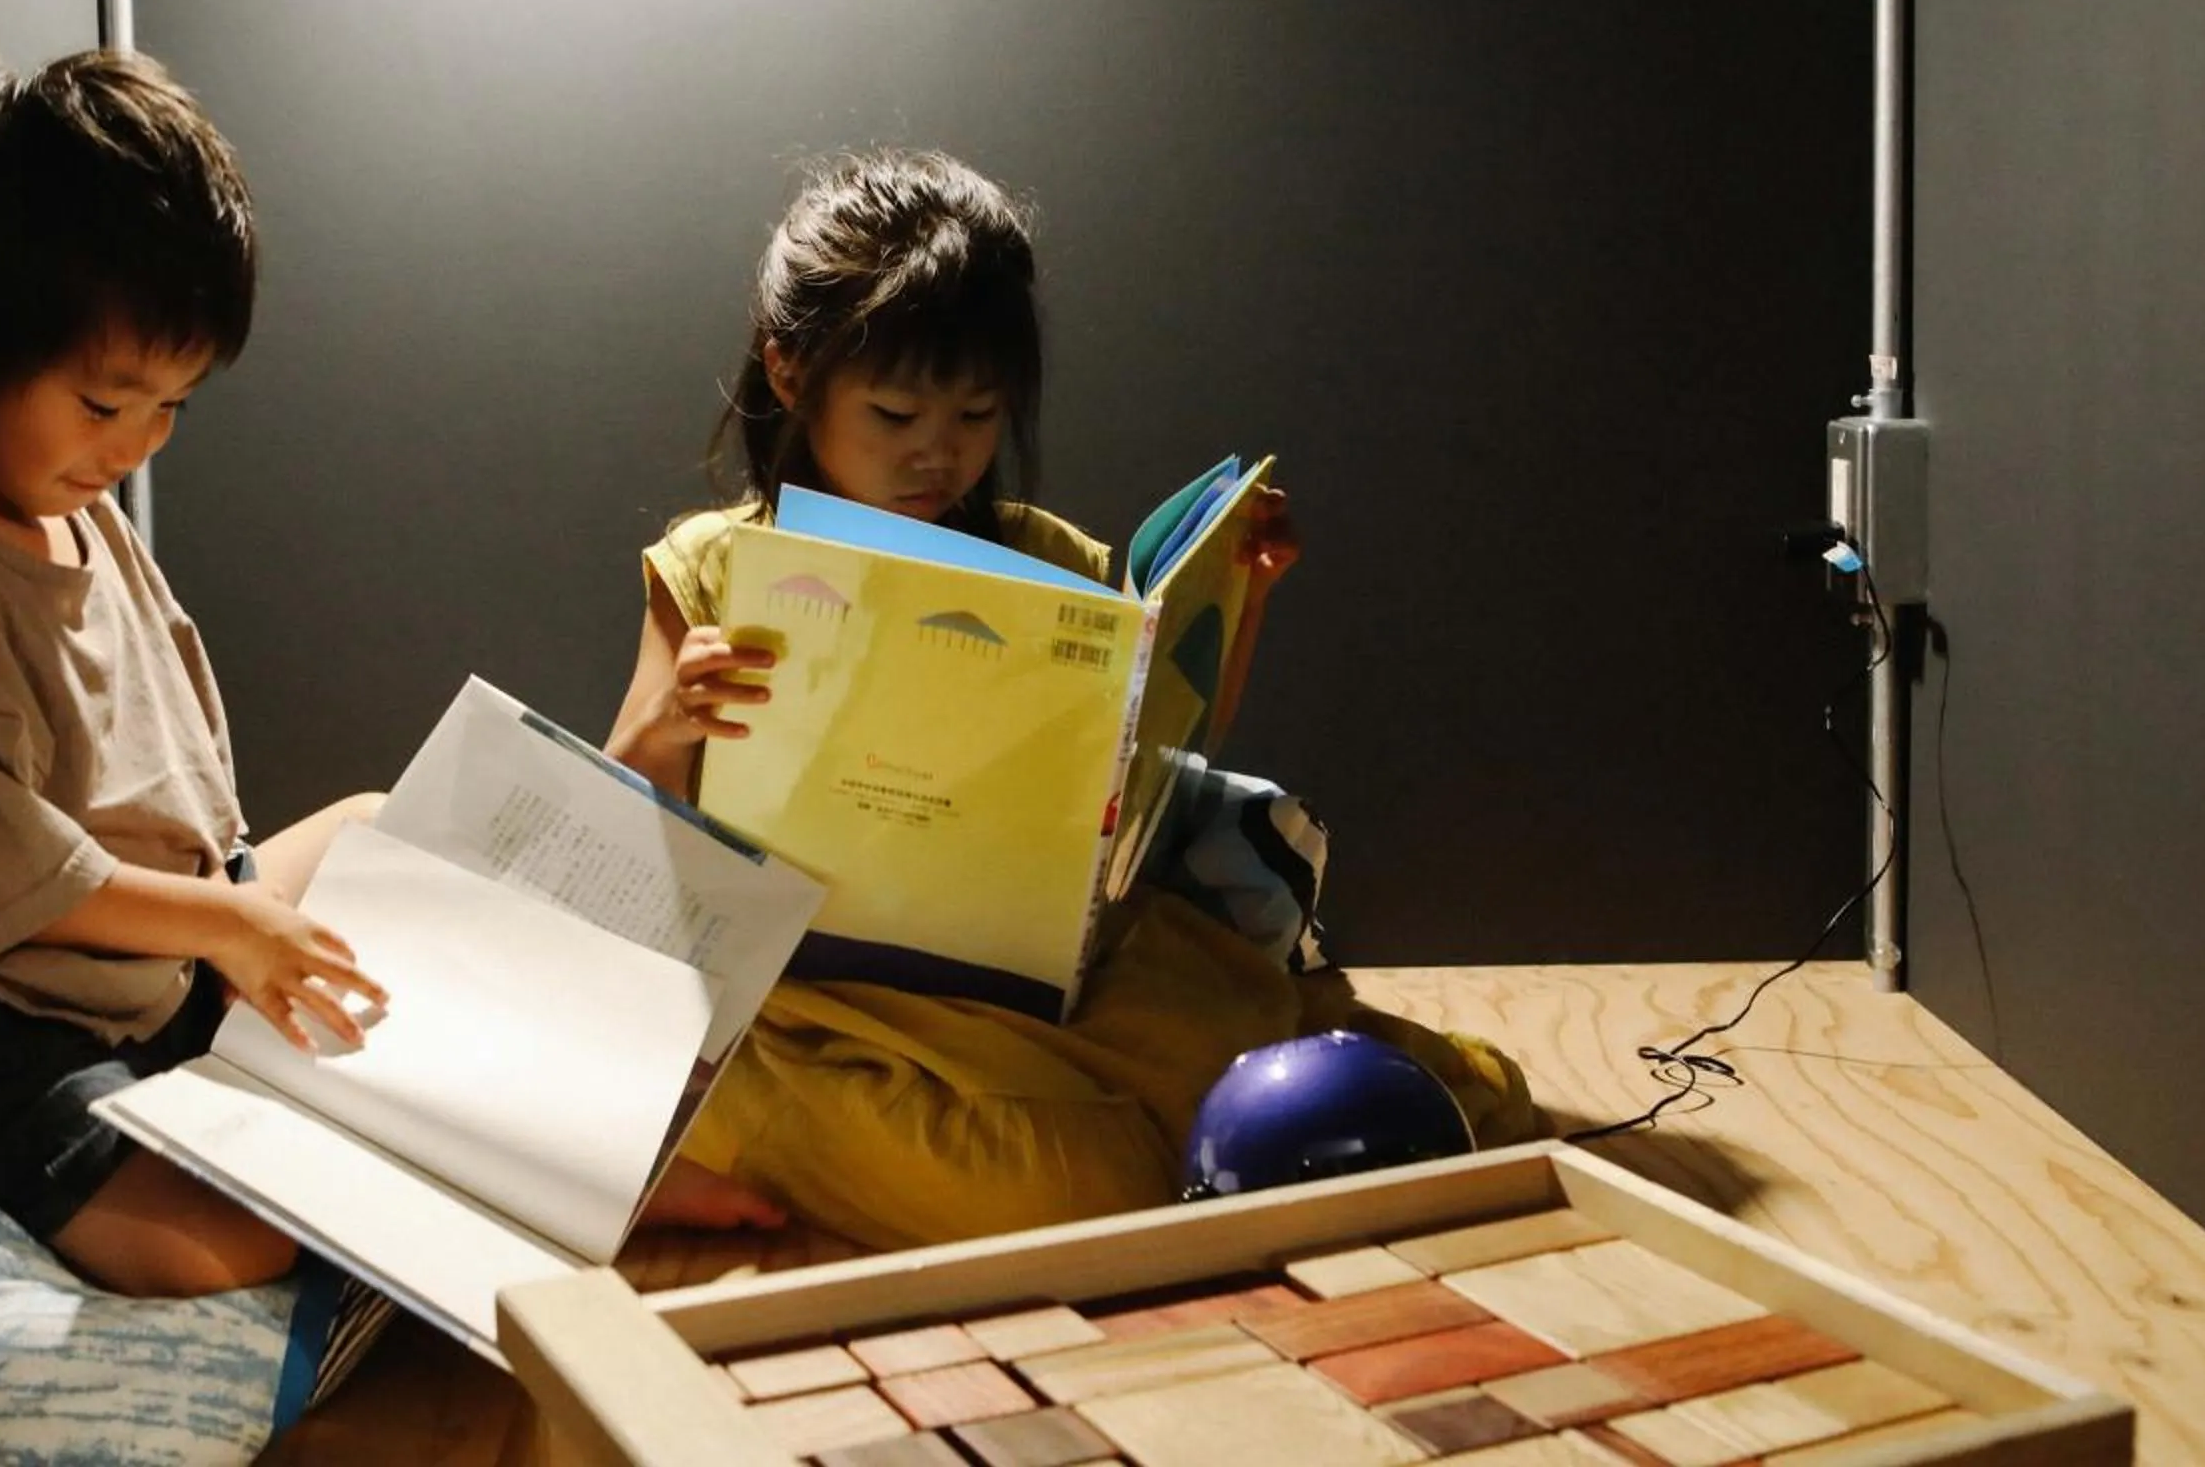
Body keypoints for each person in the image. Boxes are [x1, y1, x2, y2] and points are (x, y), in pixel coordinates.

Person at [606, 150, 1529, 1249]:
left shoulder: (1041, 557)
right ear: (791, 373)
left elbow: (1159, 746)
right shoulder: (716, 564)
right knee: (1077, 1187)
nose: (936, 452)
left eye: (978, 413)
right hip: (826, 988)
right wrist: (671, 729)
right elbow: (620, 797)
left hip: (1043, 959)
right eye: (895, 412)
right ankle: (714, 1117)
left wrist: (1244, 597)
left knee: (1446, 1097)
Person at [0, 49, 387, 1302]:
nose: (137, 443)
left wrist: (235, 900)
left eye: (172, 406)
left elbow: (181, 739)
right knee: (225, 1245)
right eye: (109, 401)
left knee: (381, 830)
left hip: (158, 952)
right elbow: (4, 877)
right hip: (1, 1009)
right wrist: (229, 922)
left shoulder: (72, 502)